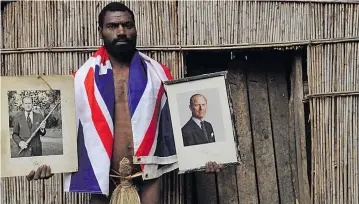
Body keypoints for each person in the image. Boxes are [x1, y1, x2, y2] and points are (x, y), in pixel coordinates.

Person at [26, 2, 223, 204]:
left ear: (135, 28)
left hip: (148, 177)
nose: (121, 31)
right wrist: (45, 163)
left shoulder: (159, 74)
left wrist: (206, 154)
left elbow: (177, 125)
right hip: (104, 178)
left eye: (127, 25)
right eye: (112, 26)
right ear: (101, 31)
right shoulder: (79, 81)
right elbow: (63, 129)